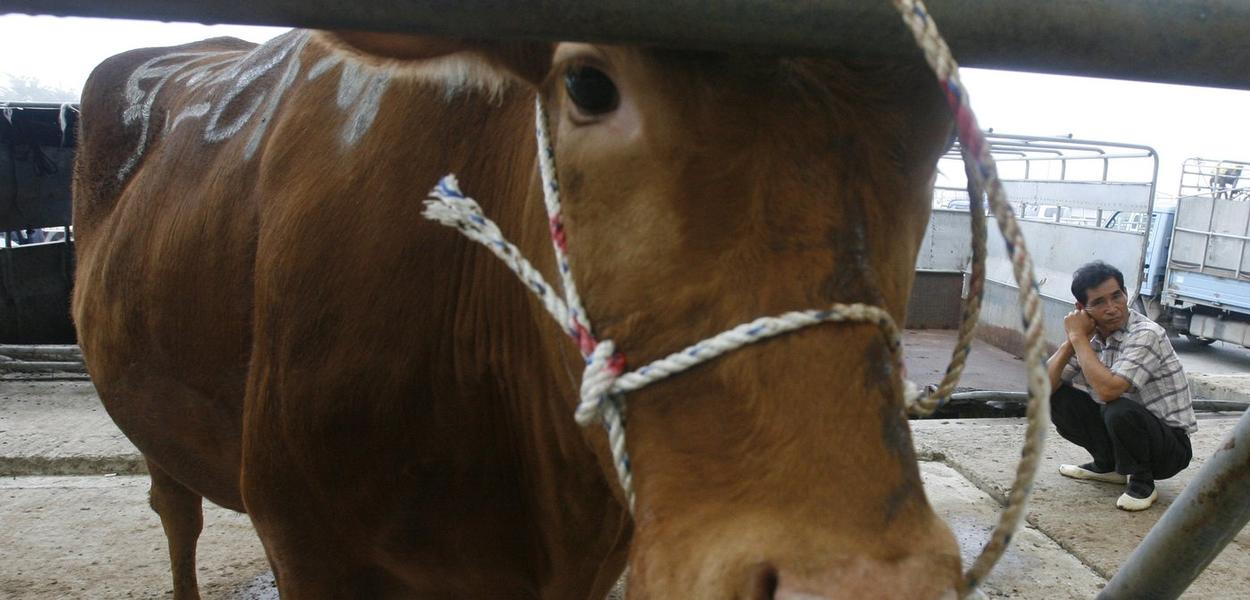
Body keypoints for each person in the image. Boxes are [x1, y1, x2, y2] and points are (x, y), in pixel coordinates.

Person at [1046, 261, 1197, 511]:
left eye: (1117, 296)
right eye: (1099, 302)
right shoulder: (1090, 337)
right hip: (1126, 434)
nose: (1112, 308)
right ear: (1082, 309)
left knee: (1117, 407)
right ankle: (1109, 466)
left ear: (1126, 293)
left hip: (1169, 448)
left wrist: (1077, 339)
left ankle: (1142, 482)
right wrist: (1072, 341)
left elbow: (1109, 391)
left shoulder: (1146, 334)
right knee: (1058, 398)